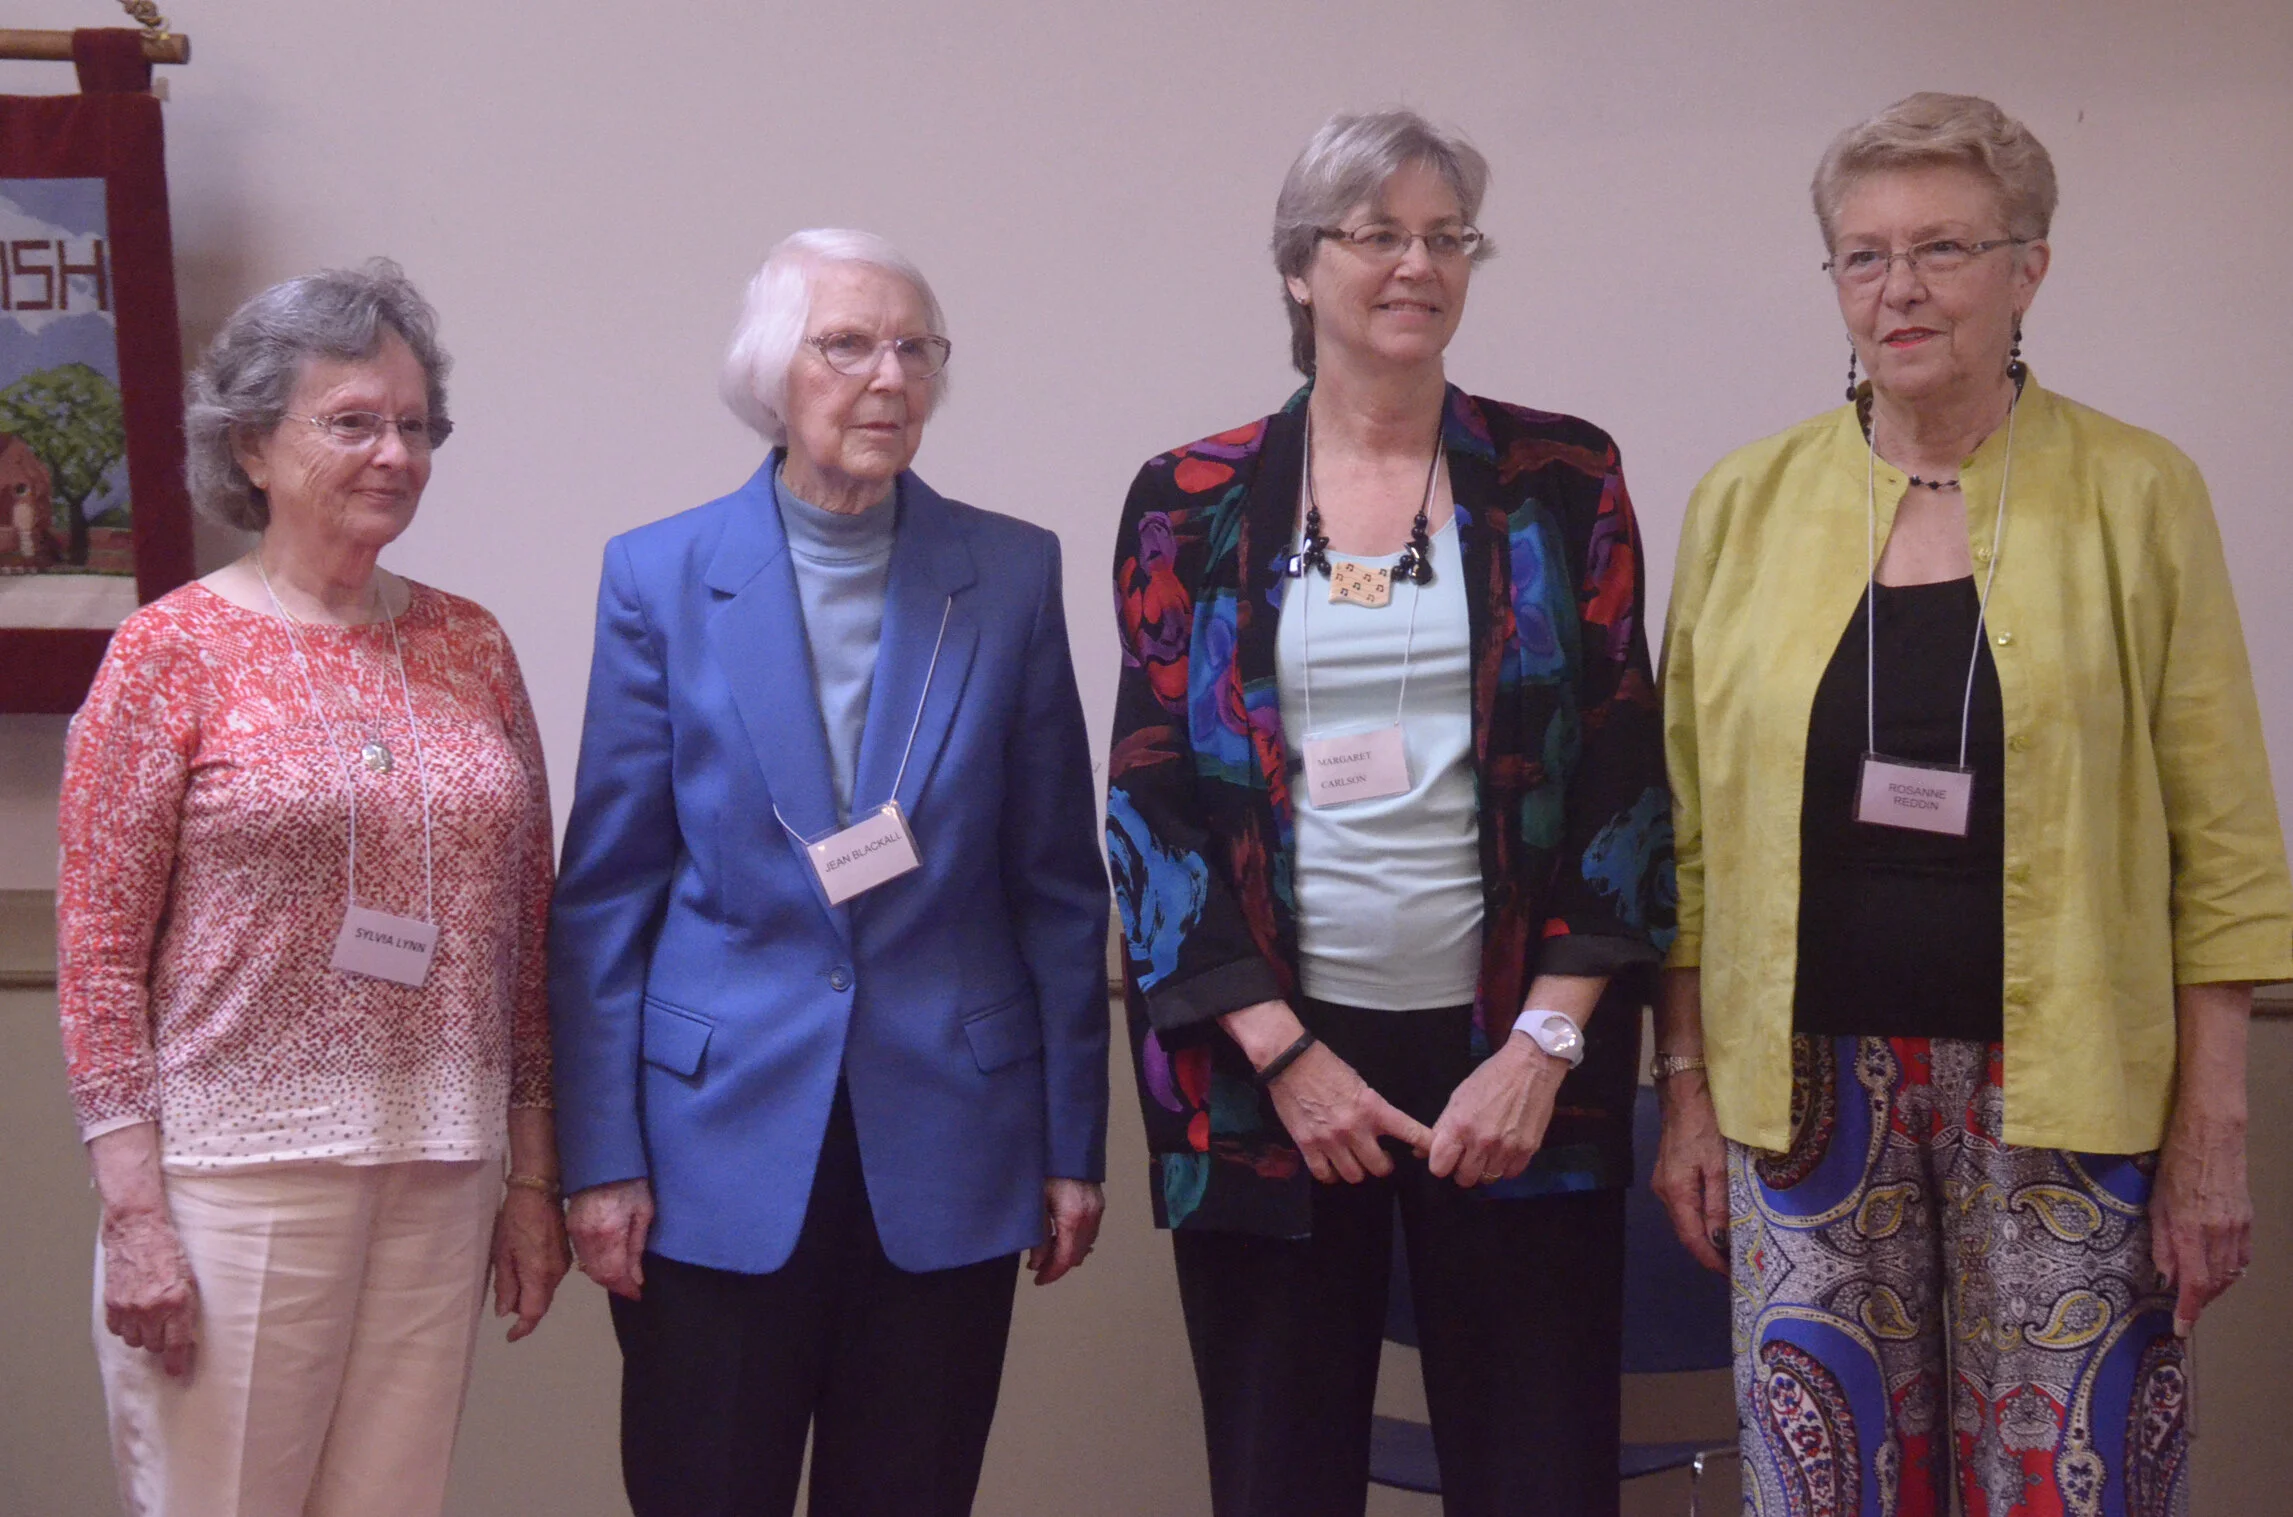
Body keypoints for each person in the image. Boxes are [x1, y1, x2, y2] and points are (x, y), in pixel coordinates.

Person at [1652, 92, 2293, 1516]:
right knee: (1826, 1485)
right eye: (1862, 255)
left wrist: (2214, 1127)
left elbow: (2227, 841)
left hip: (2069, 1098)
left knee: (2068, 1482)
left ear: (2029, 268)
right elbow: (1683, 836)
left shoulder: (2138, 494)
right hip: (1802, 1098)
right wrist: (1685, 1093)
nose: (1899, 289)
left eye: (1942, 248)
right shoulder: (1742, 505)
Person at [1106, 109, 1675, 1517]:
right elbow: (1150, 796)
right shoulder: (1192, 499)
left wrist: (1545, 1045)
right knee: (1281, 1472)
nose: (1415, 264)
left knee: (1539, 1472)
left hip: (1521, 1064)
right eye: (1378, 235)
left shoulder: (1562, 479)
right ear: (1303, 268)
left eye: (1445, 236)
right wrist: (1281, 1051)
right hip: (1270, 1076)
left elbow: (1620, 770)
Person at [549, 228, 1110, 1517]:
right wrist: (599, 1156)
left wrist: (1071, 1139)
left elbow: (1056, 883)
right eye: (846, 344)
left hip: (954, 1140)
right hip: (709, 1146)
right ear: (771, 375)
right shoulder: (661, 574)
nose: (887, 377)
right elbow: (606, 898)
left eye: (916, 348)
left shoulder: (1012, 573)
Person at [56, 259, 567, 1517]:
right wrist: (134, 1212)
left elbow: (527, 933)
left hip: (442, 1165)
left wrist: (534, 1174)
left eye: (414, 423)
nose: (394, 452)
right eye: (352, 421)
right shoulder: (169, 650)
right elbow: (97, 952)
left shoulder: (471, 641)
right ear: (252, 445)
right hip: (234, 1179)